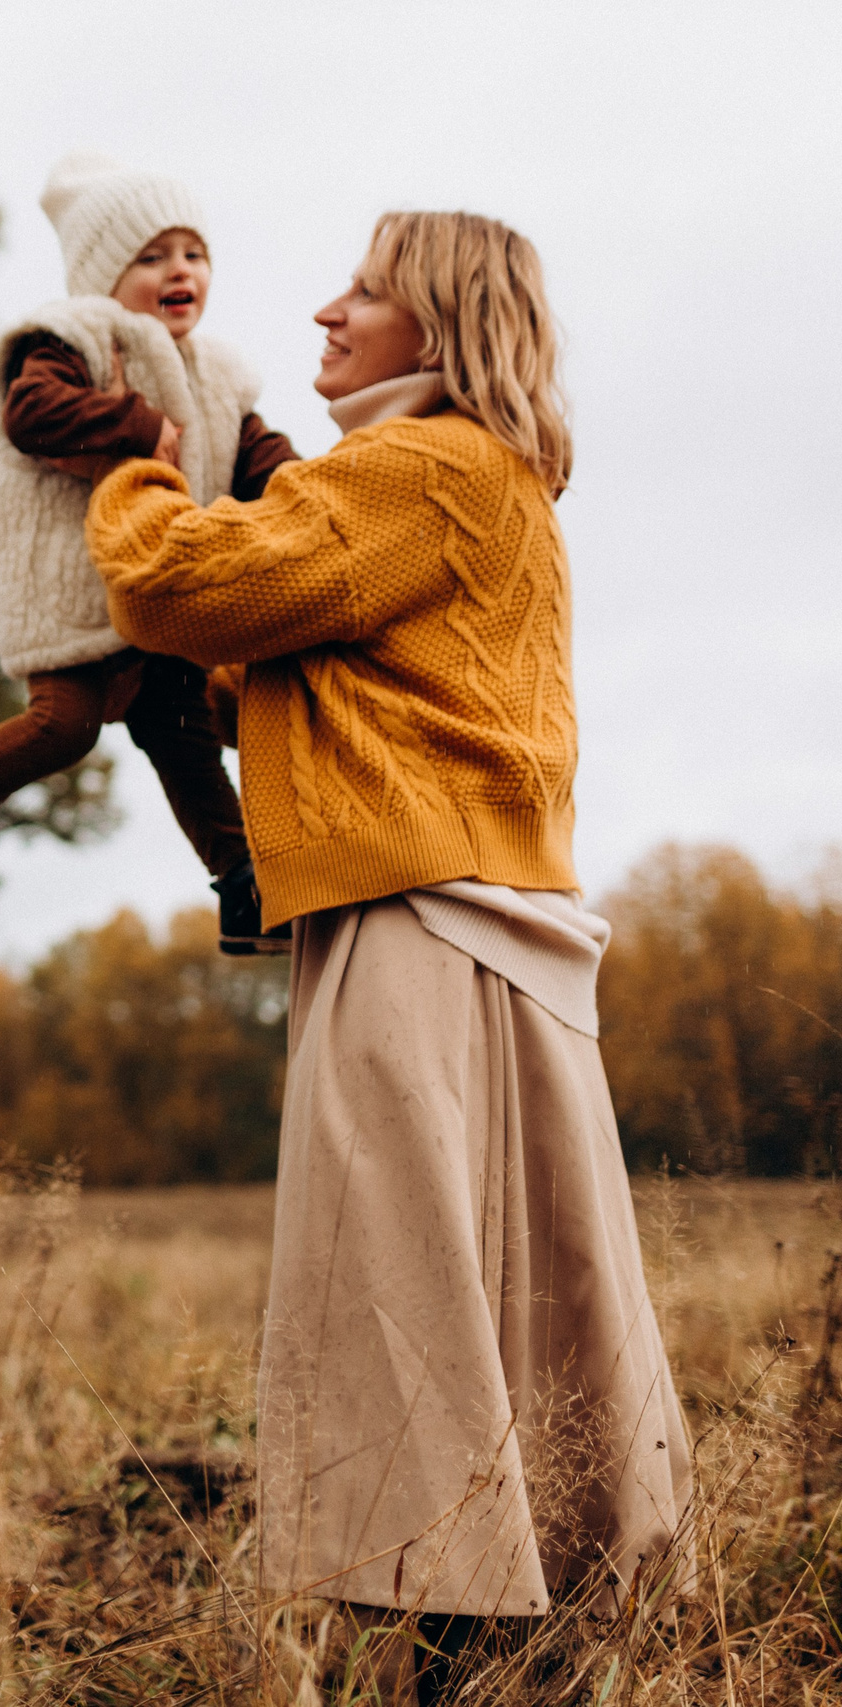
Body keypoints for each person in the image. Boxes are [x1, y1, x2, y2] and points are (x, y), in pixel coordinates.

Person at [87, 212, 687, 1687]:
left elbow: (181, 586)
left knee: (407, 1306)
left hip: (419, 937)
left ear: (440, 320)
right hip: (497, 939)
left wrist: (125, 467)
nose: (326, 310)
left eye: (366, 288)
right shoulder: (487, 480)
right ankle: (522, 1654)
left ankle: (452, 1655)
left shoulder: (417, 468)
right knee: (510, 1317)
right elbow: (305, 675)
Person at [0, 153, 297, 952]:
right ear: (104, 274)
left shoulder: (221, 373)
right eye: (153, 255)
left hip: (154, 589)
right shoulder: (77, 337)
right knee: (65, 724)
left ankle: (244, 886)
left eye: (194, 253)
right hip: (71, 581)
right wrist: (134, 425)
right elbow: (30, 411)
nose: (180, 271)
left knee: (184, 727)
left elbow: (261, 458)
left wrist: (314, 494)